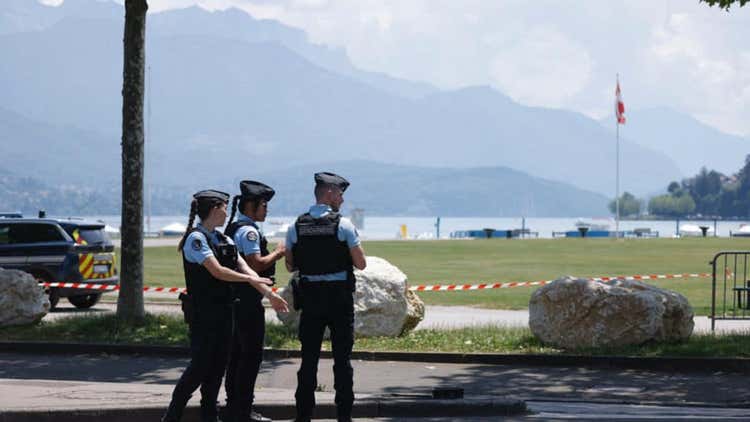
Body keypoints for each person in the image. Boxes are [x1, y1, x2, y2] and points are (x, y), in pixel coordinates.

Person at [162, 190, 288, 422]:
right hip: (204, 314)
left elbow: (245, 268)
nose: (226, 211)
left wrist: (269, 294)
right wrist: (251, 280)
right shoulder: (196, 239)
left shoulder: (224, 239)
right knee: (199, 367)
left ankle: (210, 415)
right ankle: (172, 415)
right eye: (223, 206)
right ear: (213, 209)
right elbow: (218, 272)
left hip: (225, 312)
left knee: (219, 366)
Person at [285, 172, 367, 422]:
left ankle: (303, 416)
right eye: (340, 194)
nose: (342, 199)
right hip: (339, 301)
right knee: (342, 361)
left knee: (308, 360)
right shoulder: (343, 225)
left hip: (310, 300)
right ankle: (344, 416)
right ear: (329, 193)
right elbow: (361, 263)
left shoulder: (296, 226)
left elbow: (290, 266)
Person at [223, 181, 287, 422]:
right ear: (251, 206)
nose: (266, 210)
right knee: (249, 357)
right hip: (247, 301)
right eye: (263, 205)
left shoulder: (234, 227)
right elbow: (255, 264)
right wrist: (279, 253)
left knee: (236, 356)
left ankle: (233, 407)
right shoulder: (248, 231)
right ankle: (243, 410)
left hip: (236, 300)